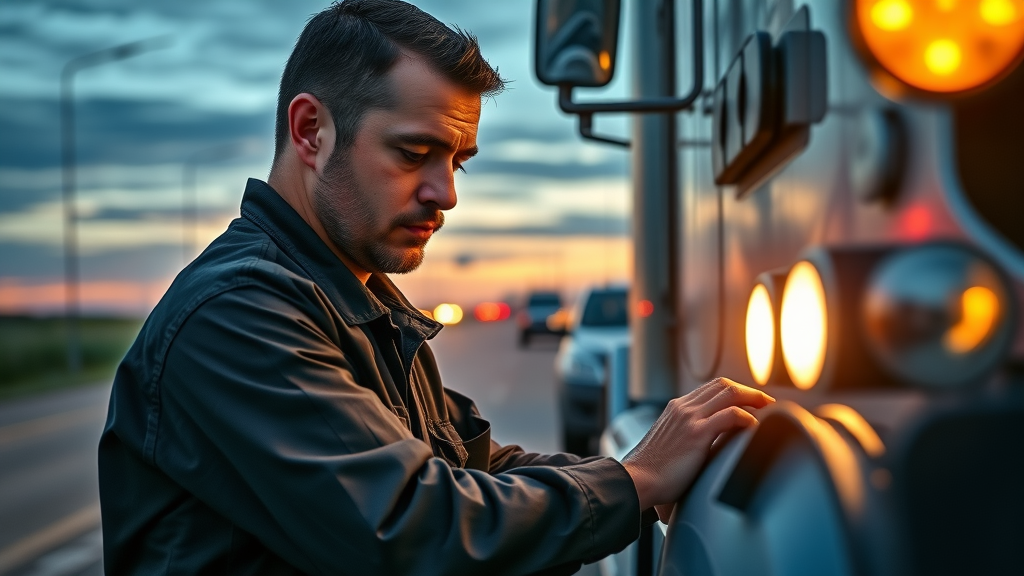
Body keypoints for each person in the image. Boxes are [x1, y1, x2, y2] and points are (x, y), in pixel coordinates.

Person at [98, 1, 774, 574]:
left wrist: (655, 458)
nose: (445, 194)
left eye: (458, 162)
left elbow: (474, 469)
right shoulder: (236, 315)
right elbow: (414, 527)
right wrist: (636, 482)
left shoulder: (356, 302)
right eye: (413, 153)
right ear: (312, 132)